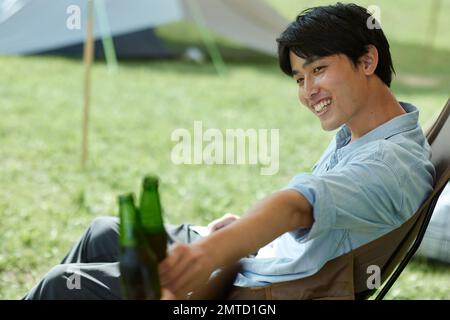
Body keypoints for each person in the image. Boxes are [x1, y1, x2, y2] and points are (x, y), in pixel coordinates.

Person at [23, 3, 435, 300]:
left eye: (319, 69)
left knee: (66, 283)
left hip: (256, 289)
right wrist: (249, 237)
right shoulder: (367, 134)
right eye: (298, 78)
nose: (308, 92)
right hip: (262, 258)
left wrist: (212, 252)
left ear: (367, 61)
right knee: (104, 232)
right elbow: (326, 221)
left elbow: (297, 206)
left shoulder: (389, 163)